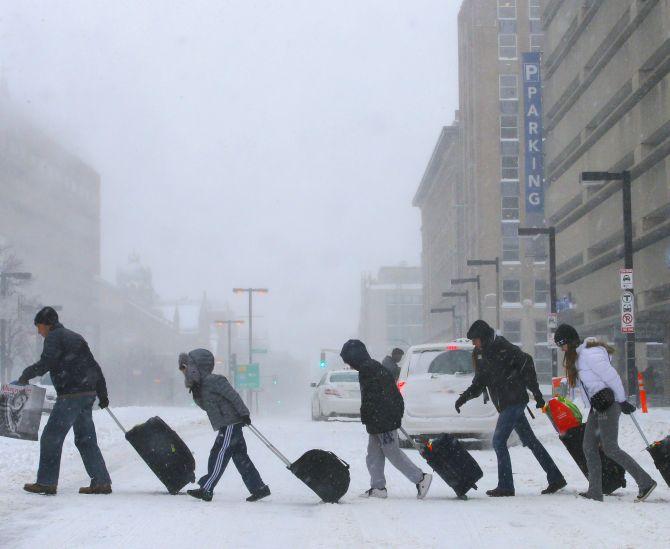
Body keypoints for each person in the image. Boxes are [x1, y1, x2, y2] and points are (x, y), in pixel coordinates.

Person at [455, 320, 566, 497]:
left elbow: (526, 363)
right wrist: (463, 398)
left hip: (514, 400)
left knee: (498, 441)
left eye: (475, 340)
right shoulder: (481, 353)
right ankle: (555, 477)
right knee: (530, 441)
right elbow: (479, 382)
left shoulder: (502, 347)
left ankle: (506, 486)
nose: (474, 344)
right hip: (505, 403)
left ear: (483, 337)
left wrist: (536, 393)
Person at [554, 324, 657, 502]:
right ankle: (595, 491)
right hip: (599, 405)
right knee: (588, 446)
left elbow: (612, 377)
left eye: (562, 344)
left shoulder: (590, 355)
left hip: (609, 403)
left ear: (570, 341)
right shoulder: (578, 356)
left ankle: (645, 482)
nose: (561, 348)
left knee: (610, 448)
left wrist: (622, 400)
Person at [17, 307, 111, 495]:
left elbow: (47, 362)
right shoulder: (75, 337)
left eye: (39, 327)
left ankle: (46, 482)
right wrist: (102, 393)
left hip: (71, 395)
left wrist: (26, 375)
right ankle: (101, 481)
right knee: (86, 439)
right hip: (86, 393)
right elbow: (94, 366)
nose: (39, 332)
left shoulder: (54, 337)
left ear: (47, 324)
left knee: (51, 437)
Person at [340, 339, 432, 499]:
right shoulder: (371, 366)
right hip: (380, 418)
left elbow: (373, 397)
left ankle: (421, 478)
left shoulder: (368, 370)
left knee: (392, 452)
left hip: (383, 419)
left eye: (349, 361)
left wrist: (374, 416)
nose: (349, 365)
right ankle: (378, 488)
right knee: (373, 454)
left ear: (354, 357)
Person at [180, 348, 270, 502]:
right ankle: (259, 488)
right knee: (240, 457)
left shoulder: (214, 380)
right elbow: (207, 406)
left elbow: (233, 396)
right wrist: (195, 390)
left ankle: (207, 488)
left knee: (218, 454)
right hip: (226, 424)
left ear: (197, 366)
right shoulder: (201, 386)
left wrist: (244, 413)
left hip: (230, 423)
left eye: (186, 367)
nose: (184, 371)